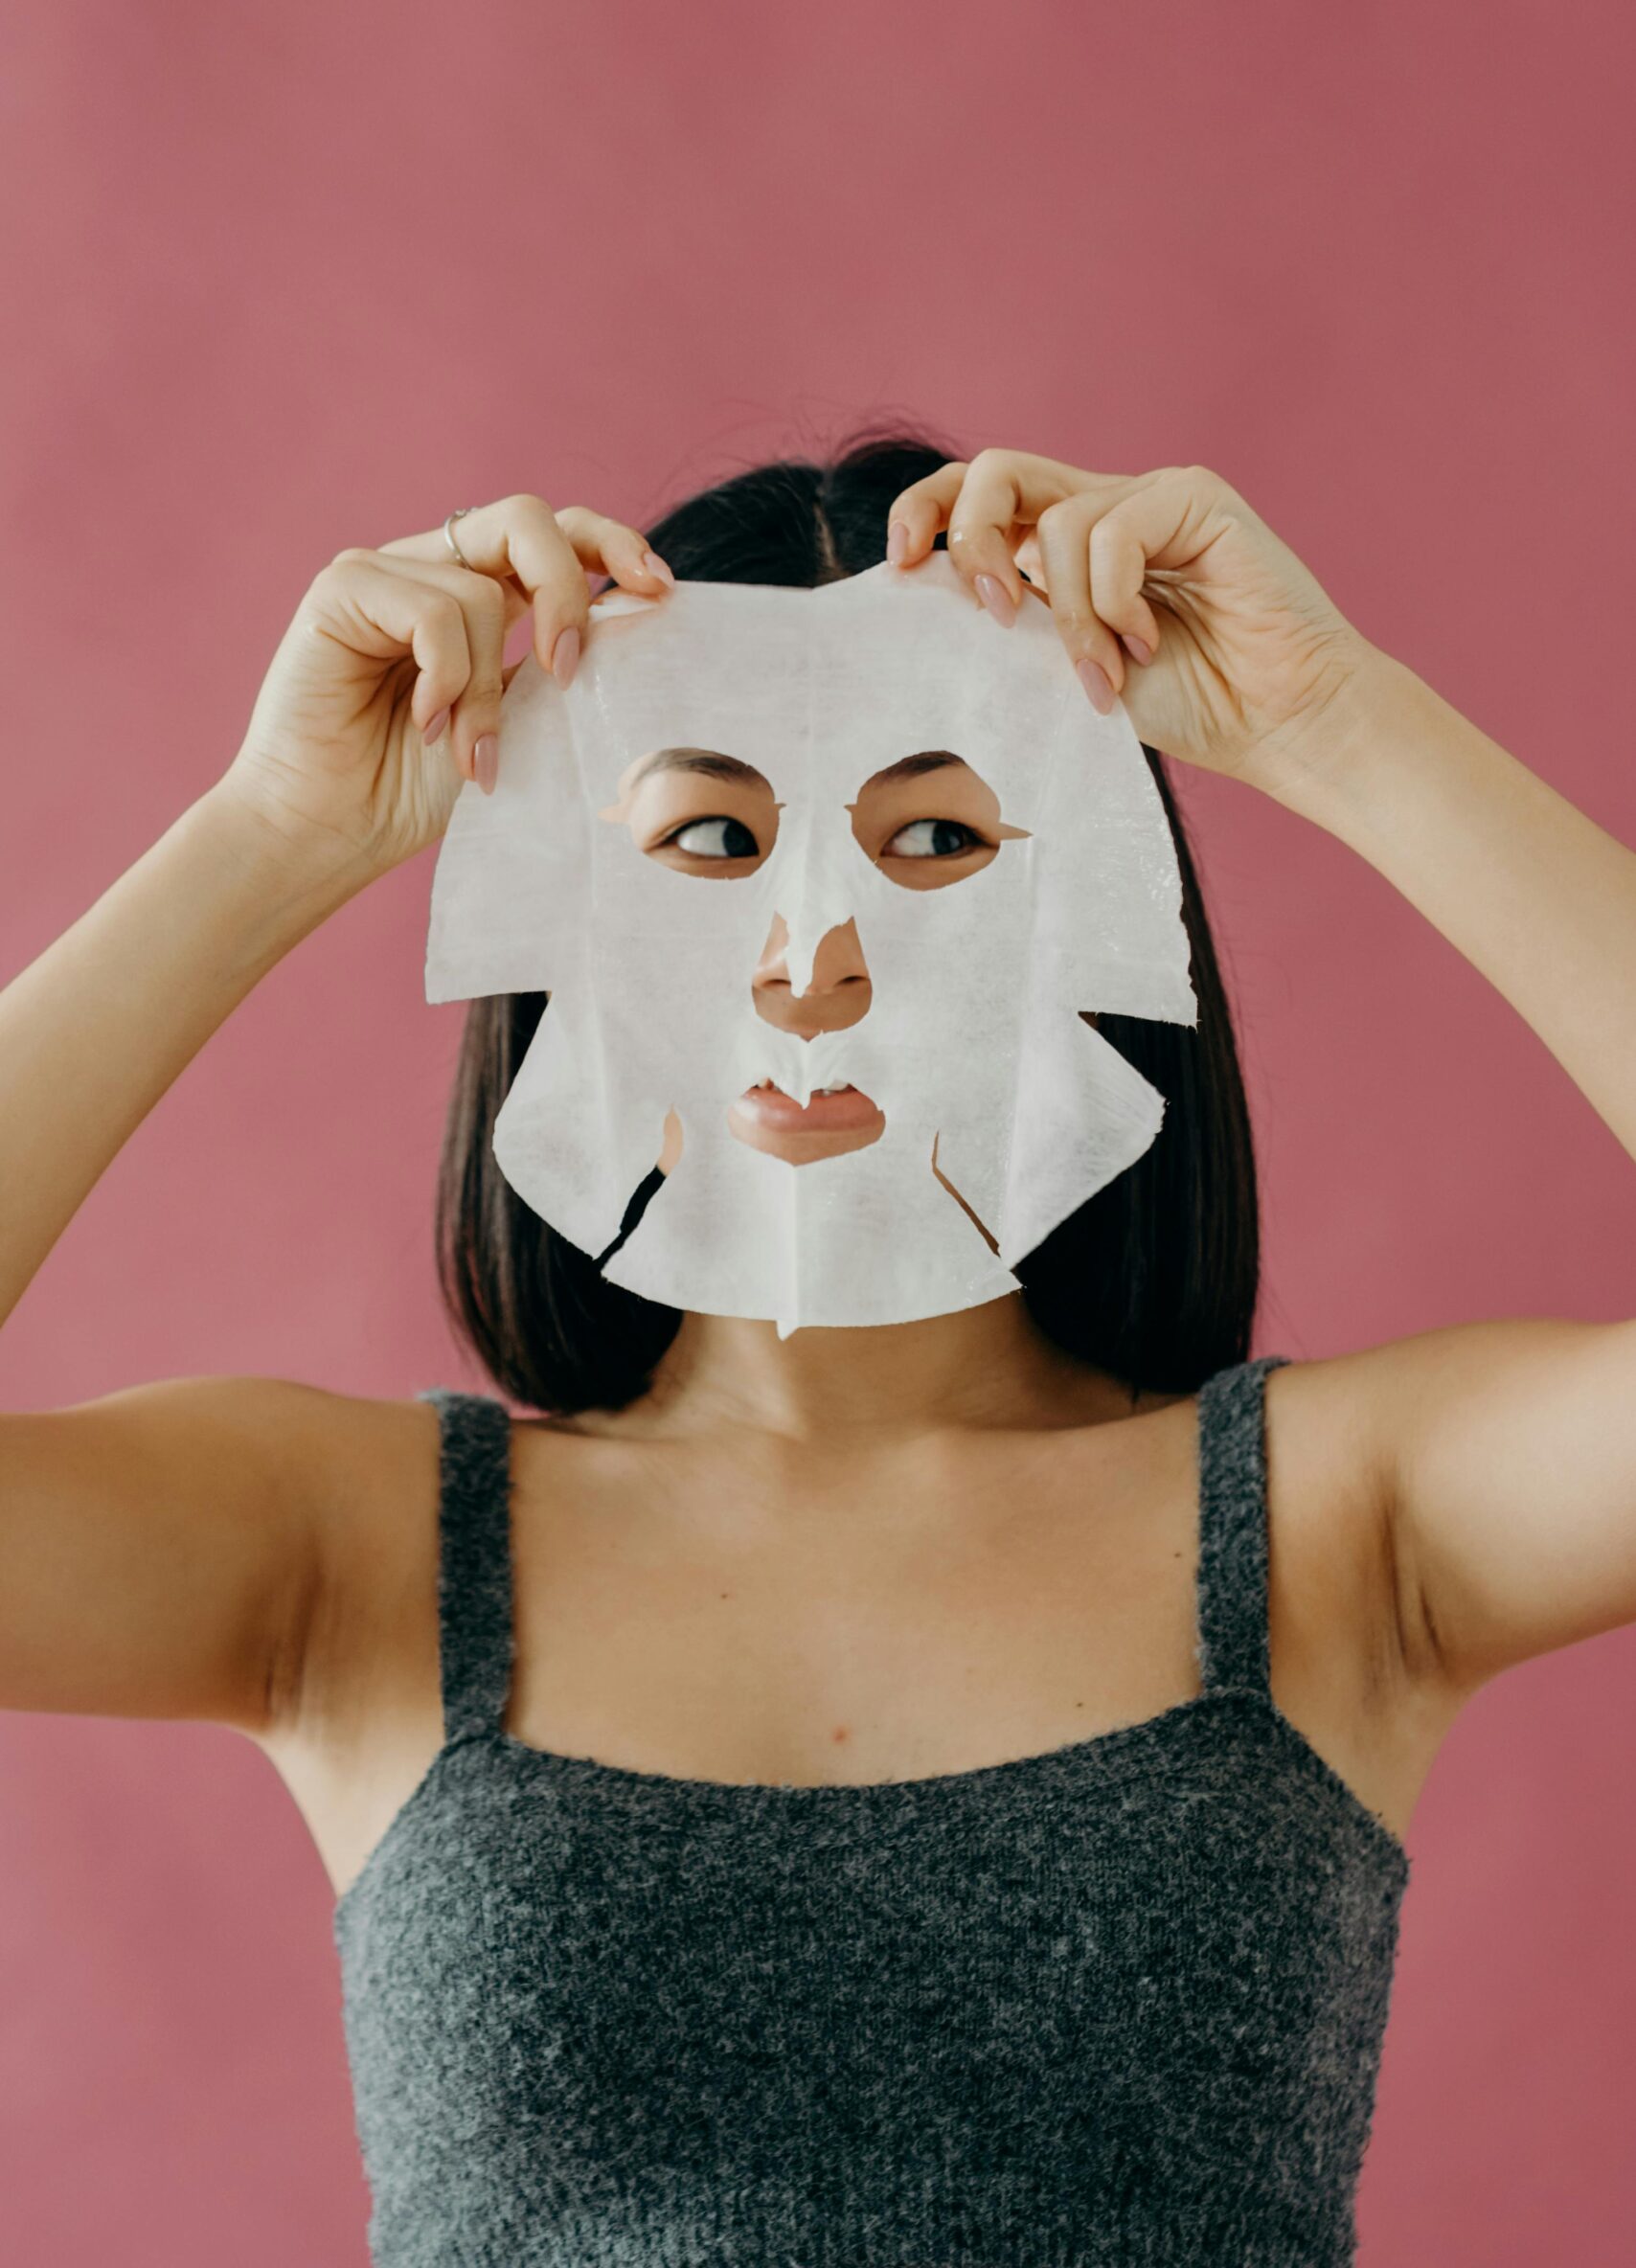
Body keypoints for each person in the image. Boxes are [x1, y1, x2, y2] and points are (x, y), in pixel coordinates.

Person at [3, 427, 1632, 2265]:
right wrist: (267, 837)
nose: (813, 957)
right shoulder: (350, 1552)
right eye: (710, 838)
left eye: (935, 835)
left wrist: (1341, 725)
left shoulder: (1348, 1526)